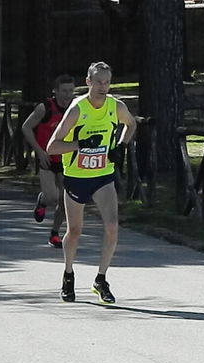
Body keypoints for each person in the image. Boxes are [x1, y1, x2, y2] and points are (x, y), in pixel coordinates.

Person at [47, 61, 136, 304]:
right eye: (98, 82)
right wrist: (80, 145)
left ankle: (101, 279)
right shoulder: (77, 109)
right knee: (74, 232)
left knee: (112, 226)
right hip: (76, 177)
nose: (103, 87)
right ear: (88, 82)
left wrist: (121, 146)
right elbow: (52, 146)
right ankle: (68, 274)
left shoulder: (115, 107)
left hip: (103, 176)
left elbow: (132, 124)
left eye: (107, 82)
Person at [22, 74, 76, 248]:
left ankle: (54, 233)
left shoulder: (76, 108)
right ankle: (43, 200)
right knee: (53, 197)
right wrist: (39, 151)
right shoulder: (45, 108)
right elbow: (26, 127)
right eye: (64, 91)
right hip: (47, 158)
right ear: (56, 91)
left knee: (65, 199)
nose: (67, 95)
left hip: (66, 159)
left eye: (71, 91)